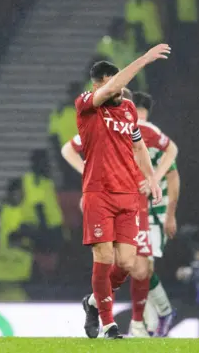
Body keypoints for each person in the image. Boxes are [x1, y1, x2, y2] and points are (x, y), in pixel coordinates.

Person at [62, 88, 178, 337]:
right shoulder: (97, 127)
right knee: (110, 261)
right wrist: (87, 173)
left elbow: (171, 152)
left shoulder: (140, 128)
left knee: (136, 266)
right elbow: (68, 149)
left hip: (135, 205)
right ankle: (113, 323)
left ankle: (99, 304)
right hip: (104, 201)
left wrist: (154, 178)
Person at [133, 91, 180, 337]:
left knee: (143, 268)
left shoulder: (152, 136)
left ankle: (154, 320)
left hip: (154, 212)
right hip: (133, 212)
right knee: (138, 268)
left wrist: (170, 214)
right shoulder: (125, 132)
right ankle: (155, 319)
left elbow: (173, 177)